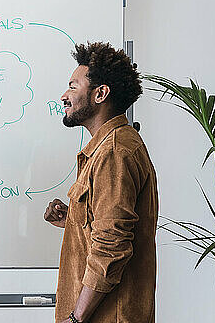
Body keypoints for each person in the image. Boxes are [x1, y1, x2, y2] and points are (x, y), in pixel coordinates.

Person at [44, 42, 158, 323]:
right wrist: (74, 219)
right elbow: (108, 224)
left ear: (100, 93)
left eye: (73, 86)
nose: (64, 95)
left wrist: (76, 318)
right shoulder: (107, 148)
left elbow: (112, 245)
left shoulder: (115, 152)